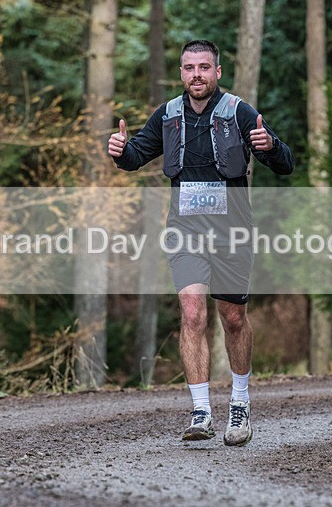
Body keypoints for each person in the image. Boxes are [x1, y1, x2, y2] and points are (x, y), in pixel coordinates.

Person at [107, 40, 294, 446]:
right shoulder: (169, 115)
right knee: (192, 313)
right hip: (185, 232)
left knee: (233, 318)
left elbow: (285, 163)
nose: (197, 74)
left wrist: (271, 147)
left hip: (232, 233)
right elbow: (137, 154)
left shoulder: (238, 112)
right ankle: (201, 411)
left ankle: (240, 404)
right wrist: (120, 151)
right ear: (181, 73)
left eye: (204, 67)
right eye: (189, 67)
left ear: (217, 72)